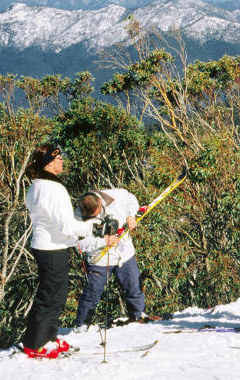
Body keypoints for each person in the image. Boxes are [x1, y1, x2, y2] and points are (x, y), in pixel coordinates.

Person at [22, 144, 109, 359]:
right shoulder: (53, 188)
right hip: (53, 247)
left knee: (53, 294)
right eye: (59, 158)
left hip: (46, 245)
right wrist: (91, 228)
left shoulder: (36, 185)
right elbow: (66, 226)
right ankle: (37, 344)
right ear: (50, 163)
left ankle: (45, 338)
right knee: (51, 296)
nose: (62, 160)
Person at [73, 188, 150, 332]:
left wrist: (130, 216)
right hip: (99, 259)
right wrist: (103, 241)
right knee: (92, 292)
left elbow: (131, 198)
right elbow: (80, 245)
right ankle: (82, 325)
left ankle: (138, 315)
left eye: (95, 214)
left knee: (134, 286)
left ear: (100, 203)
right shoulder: (77, 217)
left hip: (124, 254)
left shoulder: (115, 195)